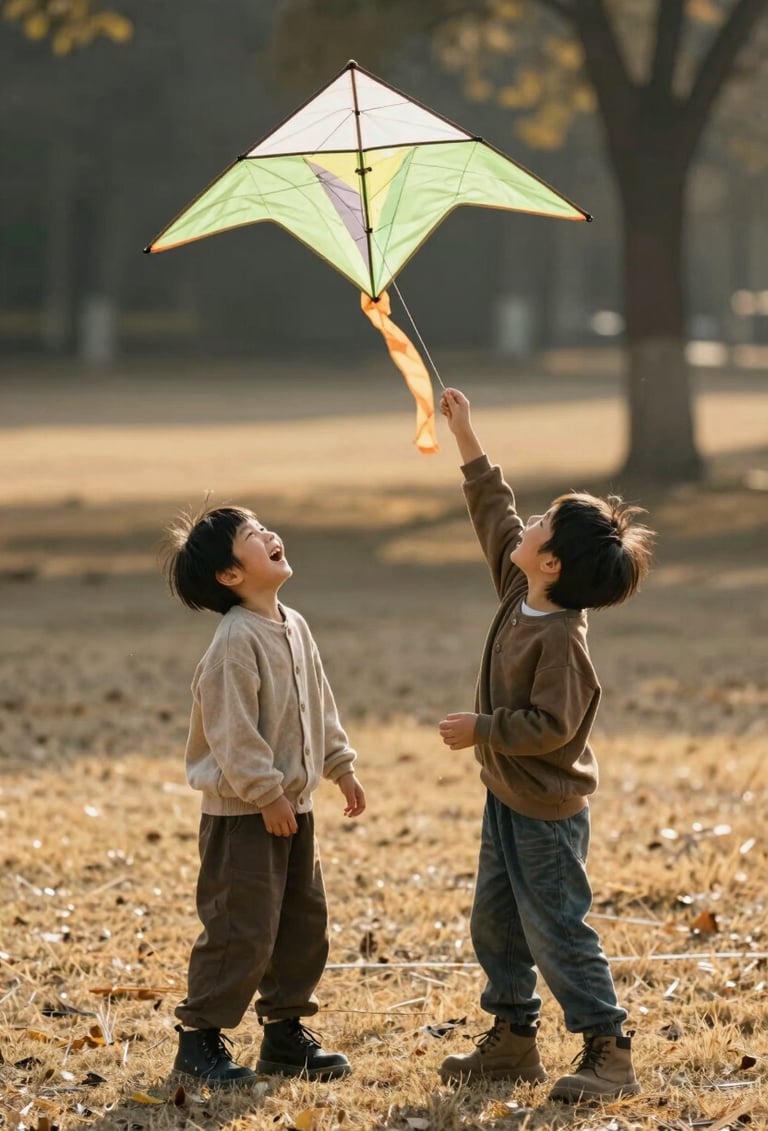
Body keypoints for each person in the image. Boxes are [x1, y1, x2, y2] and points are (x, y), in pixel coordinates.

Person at [436, 388, 653, 1102]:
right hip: (506, 796)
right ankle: (513, 1038)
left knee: (557, 928)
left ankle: (608, 1048)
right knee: (494, 921)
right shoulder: (519, 586)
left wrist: (483, 729)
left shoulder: (561, 638)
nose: (526, 523)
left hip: (546, 812)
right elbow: (493, 513)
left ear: (552, 563)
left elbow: (551, 726)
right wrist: (466, 435)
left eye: (543, 523)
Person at [162, 504, 366, 1086]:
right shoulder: (234, 643)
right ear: (230, 575)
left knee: (302, 923)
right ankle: (199, 1041)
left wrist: (340, 765)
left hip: (293, 809)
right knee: (240, 927)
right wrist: (265, 795)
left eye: (265, 529)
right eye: (255, 536)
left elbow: (316, 704)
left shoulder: (293, 625)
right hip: (245, 816)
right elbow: (233, 733)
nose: (273, 535)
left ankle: (284, 1034)